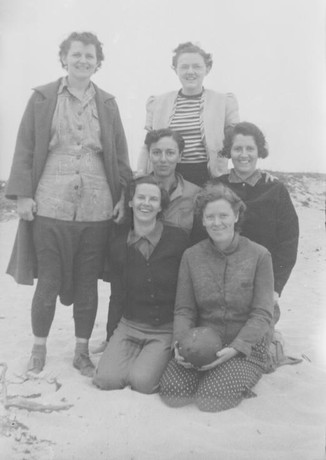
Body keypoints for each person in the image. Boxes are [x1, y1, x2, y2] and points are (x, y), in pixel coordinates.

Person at [5, 31, 131, 376]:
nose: (83, 61)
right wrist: (24, 195)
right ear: (64, 58)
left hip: (97, 206)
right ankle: (38, 348)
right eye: (76, 55)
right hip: (50, 203)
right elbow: (26, 147)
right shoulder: (43, 97)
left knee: (87, 281)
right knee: (48, 280)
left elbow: (119, 153)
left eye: (90, 56)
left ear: (98, 62)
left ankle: (80, 352)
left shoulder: (107, 103)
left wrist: (122, 196)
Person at [159, 183, 274, 412]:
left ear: (236, 215)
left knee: (210, 400)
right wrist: (180, 345)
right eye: (210, 216)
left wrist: (236, 348)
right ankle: (212, 373)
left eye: (223, 215)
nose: (216, 222)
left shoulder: (260, 255)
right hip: (204, 343)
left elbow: (262, 314)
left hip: (245, 345)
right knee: (173, 393)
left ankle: (260, 360)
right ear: (202, 220)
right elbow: (184, 310)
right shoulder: (191, 256)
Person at [93, 176, 189, 394]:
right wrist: (110, 337)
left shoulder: (178, 238)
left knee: (142, 383)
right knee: (106, 380)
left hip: (165, 328)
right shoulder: (118, 243)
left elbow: (187, 294)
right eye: (141, 197)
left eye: (153, 199)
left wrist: (180, 335)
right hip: (129, 324)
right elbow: (116, 295)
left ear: (161, 206)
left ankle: (149, 360)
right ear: (130, 202)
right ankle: (130, 354)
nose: (146, 203)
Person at [216, 122, 299, 321]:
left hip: (261, 287)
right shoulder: (217, 186)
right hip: (220, 288)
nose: (244, 154)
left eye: (250, 148)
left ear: (259, 151)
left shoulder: (275, 190)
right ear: (229, 151)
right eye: (237, 148)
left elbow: (288, 242)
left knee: (254, 348)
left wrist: (275, 289)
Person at [137, 42, 239, 186]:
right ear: (175, 70)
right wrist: (140, 175)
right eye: (184, 67)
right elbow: (146, 145)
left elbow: (236, 143)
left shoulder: (224, 102)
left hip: (209, 177)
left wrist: (249, 172)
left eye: (197, 66)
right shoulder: (158, 103)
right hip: (166, 176)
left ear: (207, 69)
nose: (190, 71)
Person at [144, 128, 200, 235]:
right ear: (149, 155)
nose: (163, 159)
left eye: (170, 153)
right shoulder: (137, 190)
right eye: (156, 152)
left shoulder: (195, 194)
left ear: (179, 156)